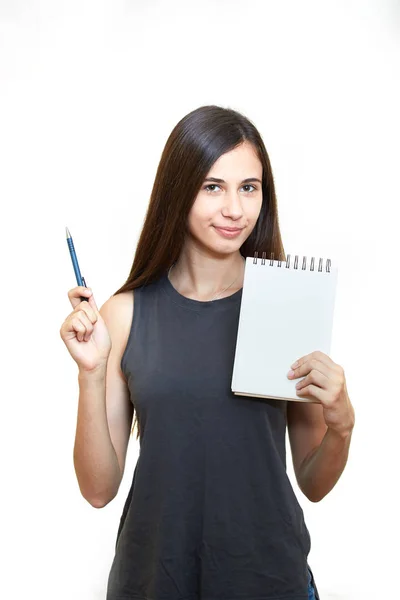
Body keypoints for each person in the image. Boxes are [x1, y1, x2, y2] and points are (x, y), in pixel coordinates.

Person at [60, 105, 355, 600]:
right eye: (212, 186)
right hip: (154, 582)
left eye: (249, 187)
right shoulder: (126, 313)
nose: (235, 210)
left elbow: (313, 481)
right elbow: (98, 489)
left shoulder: (287, 302)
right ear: (179, 191)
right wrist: (90, 375)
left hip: (269, 581)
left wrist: (342, 423)